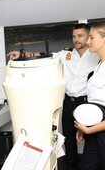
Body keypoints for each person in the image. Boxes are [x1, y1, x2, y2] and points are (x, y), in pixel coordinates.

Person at [8, 23, 99, 170]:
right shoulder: (67, 54)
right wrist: (22, 55)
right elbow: (47, 55)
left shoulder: (97, 55)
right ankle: (71, 166)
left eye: (80, 36)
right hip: (69, 102)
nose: (76, 39)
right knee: (69, 140)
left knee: (92, 140)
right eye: (74, 36)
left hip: (87, 103)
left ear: (89, 37)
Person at [74, 22, 105, 170]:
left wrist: (89, 130)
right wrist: (85, 125)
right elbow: (95, 102)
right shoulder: (99, 66)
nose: (87, 42)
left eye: (91, 37)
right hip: (94, 129)